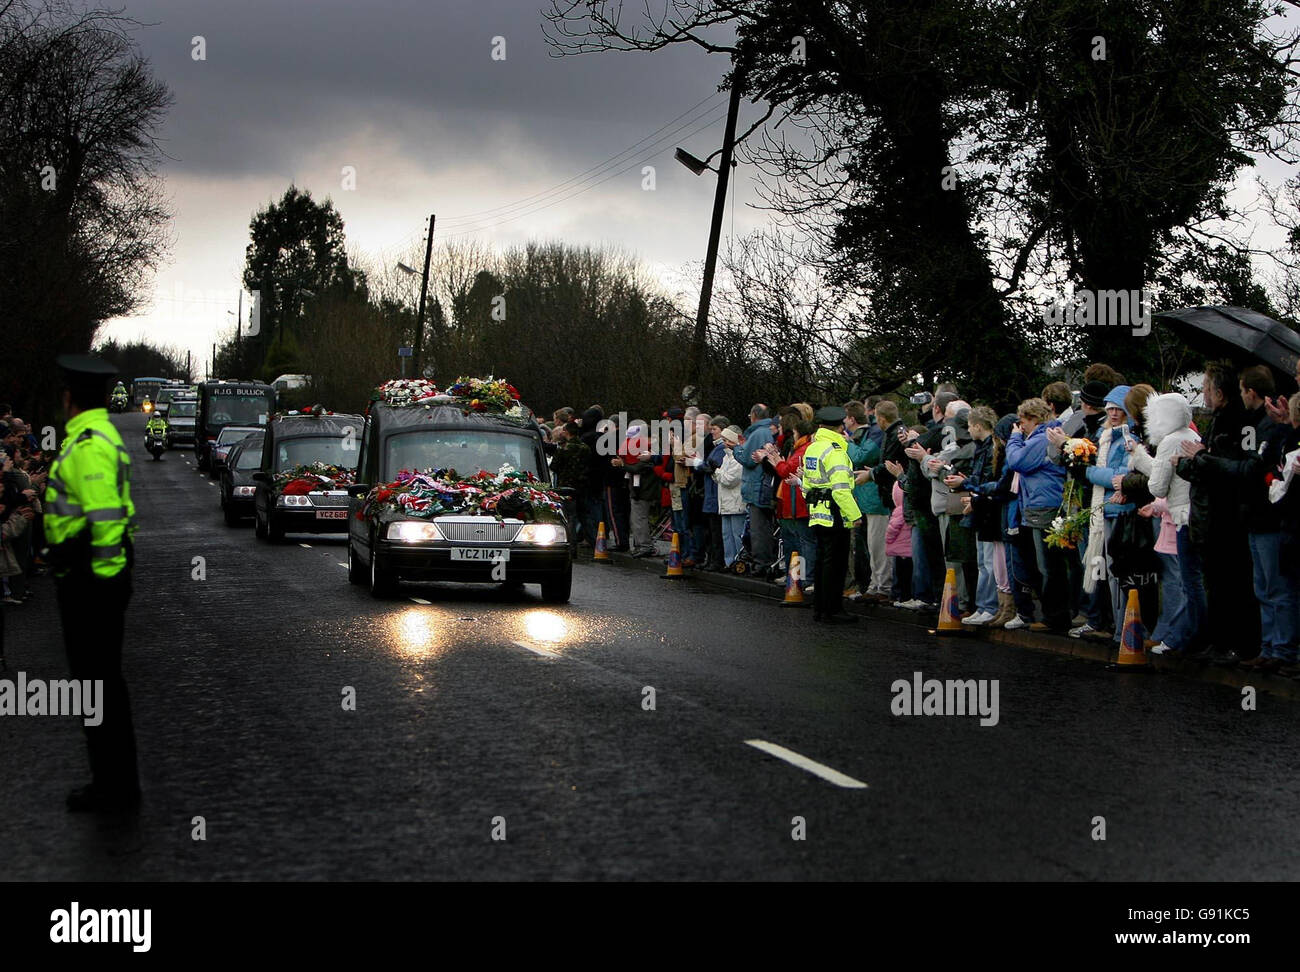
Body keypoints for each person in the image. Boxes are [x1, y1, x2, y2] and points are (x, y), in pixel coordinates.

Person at [43, 354, 140, 814]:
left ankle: (113, 787)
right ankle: (113, 782)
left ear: (69, 399)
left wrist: (97, 581)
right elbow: (121, 519)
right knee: (102, 687)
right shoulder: (104, 437)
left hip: (89, 586)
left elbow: (103, 521)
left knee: (97, 688)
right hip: (99, 580)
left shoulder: (87, 445)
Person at [802, 405, 863, 623]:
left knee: (821, 561)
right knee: (835, 565)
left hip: (818, 511)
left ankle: (820, 607)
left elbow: (805, 485)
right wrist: (855, 515)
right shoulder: (836, 451)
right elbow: (840, 490)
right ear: (840, 427)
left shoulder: (813, 448)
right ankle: (833, 609)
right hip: (836, 513)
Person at [735, 405, 778, 575]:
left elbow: (747, 459)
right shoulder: (768, 431)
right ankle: (765, 561)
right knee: (765, 528)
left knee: (759, 529)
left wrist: (736, 448)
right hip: (765, 486)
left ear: (753, 415)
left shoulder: (758, 432)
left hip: (756, 487)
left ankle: (762, 564)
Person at [714, 427, 746, 567]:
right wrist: (717, 473)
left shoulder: (737, 459)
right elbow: (721, 478)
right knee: (727, 536)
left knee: (737, 535)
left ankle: (740, 562)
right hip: (726, 503)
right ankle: (730, 563)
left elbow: (729, 479)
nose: (724, 443)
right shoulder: (726, 457)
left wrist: (715, 471)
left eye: (726, 440)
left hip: (736, 503)